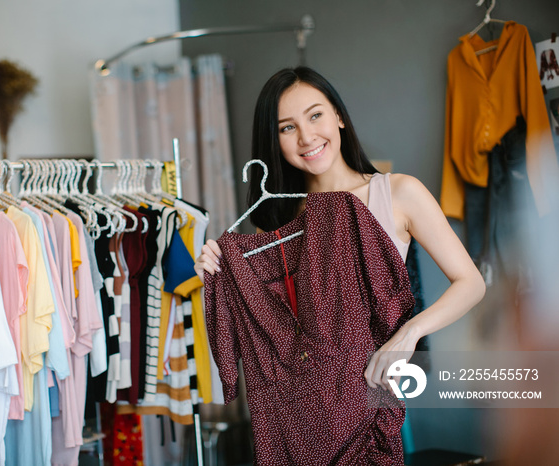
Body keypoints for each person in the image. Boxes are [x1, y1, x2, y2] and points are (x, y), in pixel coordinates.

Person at [194, 66, 486, 463]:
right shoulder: (279, 221)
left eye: (315, 115)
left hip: (367, 398)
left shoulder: (398, 193)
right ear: (273, 140)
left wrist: (408, 336)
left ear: (339, 116)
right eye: (286, 127)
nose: (306, 136)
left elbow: (471, 283)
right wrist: (215, 272)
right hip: (296, 414)